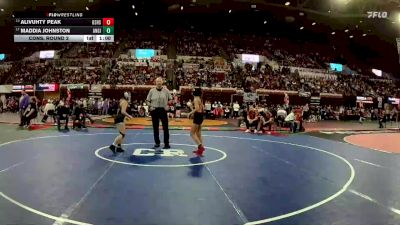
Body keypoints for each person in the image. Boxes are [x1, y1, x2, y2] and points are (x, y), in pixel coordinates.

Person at [146, 77, 172, 149]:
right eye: (157, 81)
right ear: (155, 82)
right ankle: (157, 143)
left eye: (160, 81)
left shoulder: (166, 90)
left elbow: (170, 99)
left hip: (163, 110)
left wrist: (168, 105)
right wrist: (150, 106)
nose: (159, 83)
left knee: (165, 127)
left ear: (162, 82)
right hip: (154, 110)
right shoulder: (151, 91)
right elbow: (147, 100)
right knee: (155, 127)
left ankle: (166, 143)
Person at [187, 88, 205, 157]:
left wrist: (189, 113)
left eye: (193, 92)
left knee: (192, 133)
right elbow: (200, 109)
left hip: (198, 116)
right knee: (198, 133)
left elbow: (197, 109)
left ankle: (201, 147)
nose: (192, 92)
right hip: (201, 116)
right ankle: (200, 150)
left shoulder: (195, 99)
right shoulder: (199, 98)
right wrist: (191, 107)